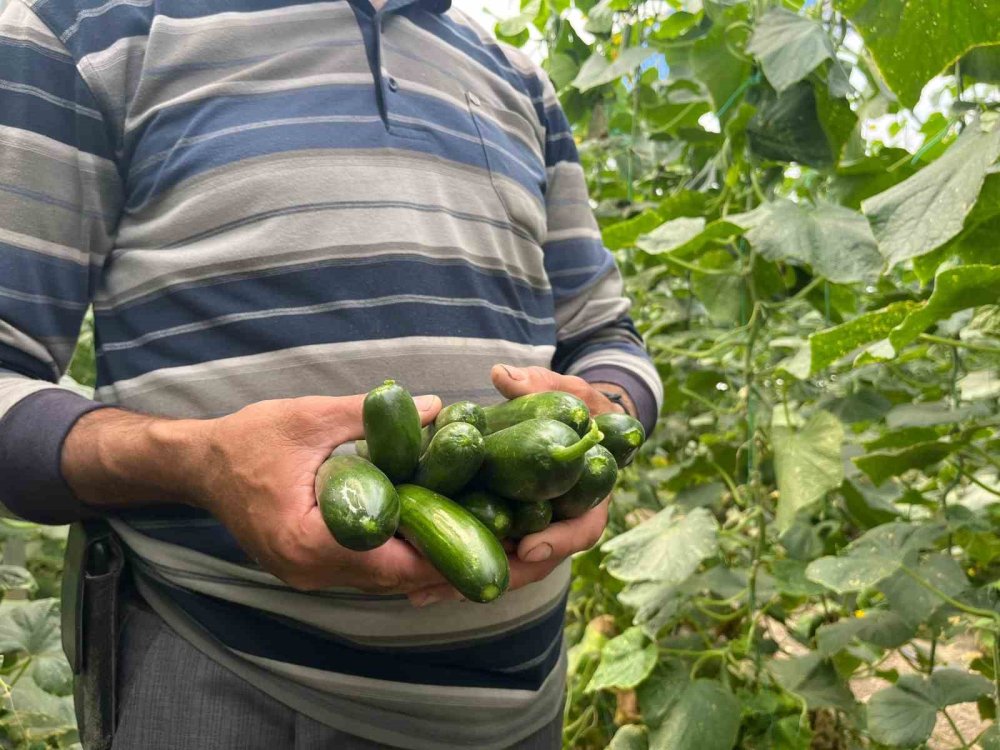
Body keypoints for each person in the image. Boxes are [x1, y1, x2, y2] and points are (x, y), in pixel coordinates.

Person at [0, 0, 662, 747]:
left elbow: (605, 334)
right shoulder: (87, 28)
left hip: (525, 693)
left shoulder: (518, 78)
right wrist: (197, 460)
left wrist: (607, 410)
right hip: (222, 676)